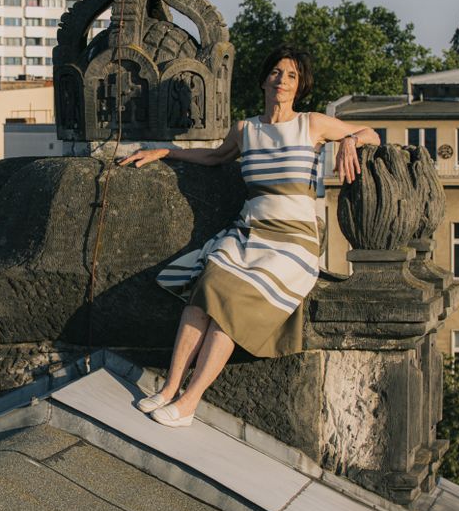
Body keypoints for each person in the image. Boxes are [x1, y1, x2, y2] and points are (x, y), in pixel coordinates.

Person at [119, 45, 380, 427]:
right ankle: (169, 387)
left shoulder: (313, 124)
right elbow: (213, 158)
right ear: (264, 79)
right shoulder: (246, 129)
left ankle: (190, 402)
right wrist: (166, 153)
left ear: (300, 86)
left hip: (294, 240)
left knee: (233, 305)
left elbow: (371, 133)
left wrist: (349, 141)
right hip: (250, 231)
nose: (282, 80)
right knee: (206, 289)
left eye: (291, 75)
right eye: (276, 72)